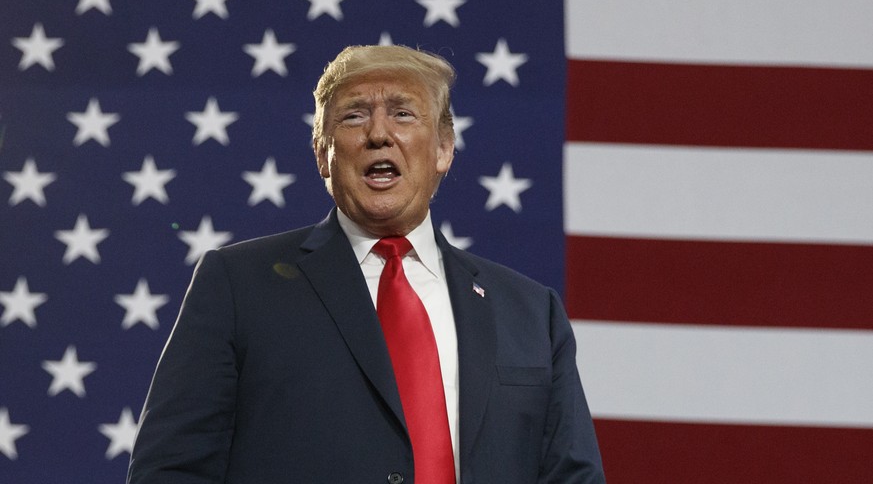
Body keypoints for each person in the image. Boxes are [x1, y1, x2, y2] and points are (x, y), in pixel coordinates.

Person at [127, 45, 605, 484]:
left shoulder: (530, 311)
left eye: (402, 113)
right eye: (354, 117)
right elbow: (171, 470)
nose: (379, 134)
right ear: (322, 153)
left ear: (443, 149)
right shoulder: (237, 286)